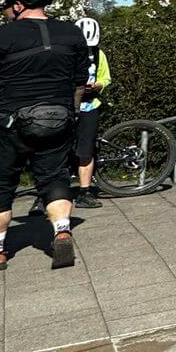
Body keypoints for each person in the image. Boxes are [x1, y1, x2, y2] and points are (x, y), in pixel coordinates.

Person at [0, 0, 88, 271]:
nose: (5, 10)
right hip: (58, 120)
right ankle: (62, 231)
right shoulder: (72, 34)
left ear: (18, 6)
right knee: (55, 178)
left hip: (8, 124)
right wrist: (71, 113)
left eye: (7, 5)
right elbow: (79, 82)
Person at [72, 15, 111, 209]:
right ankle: (46, 194)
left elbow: (106, 77)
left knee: (86, 151)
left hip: (90, 106)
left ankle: (84, 192)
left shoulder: (99, 55)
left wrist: (98, 85)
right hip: (68, 107)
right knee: (57, 151)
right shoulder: (67, 54)